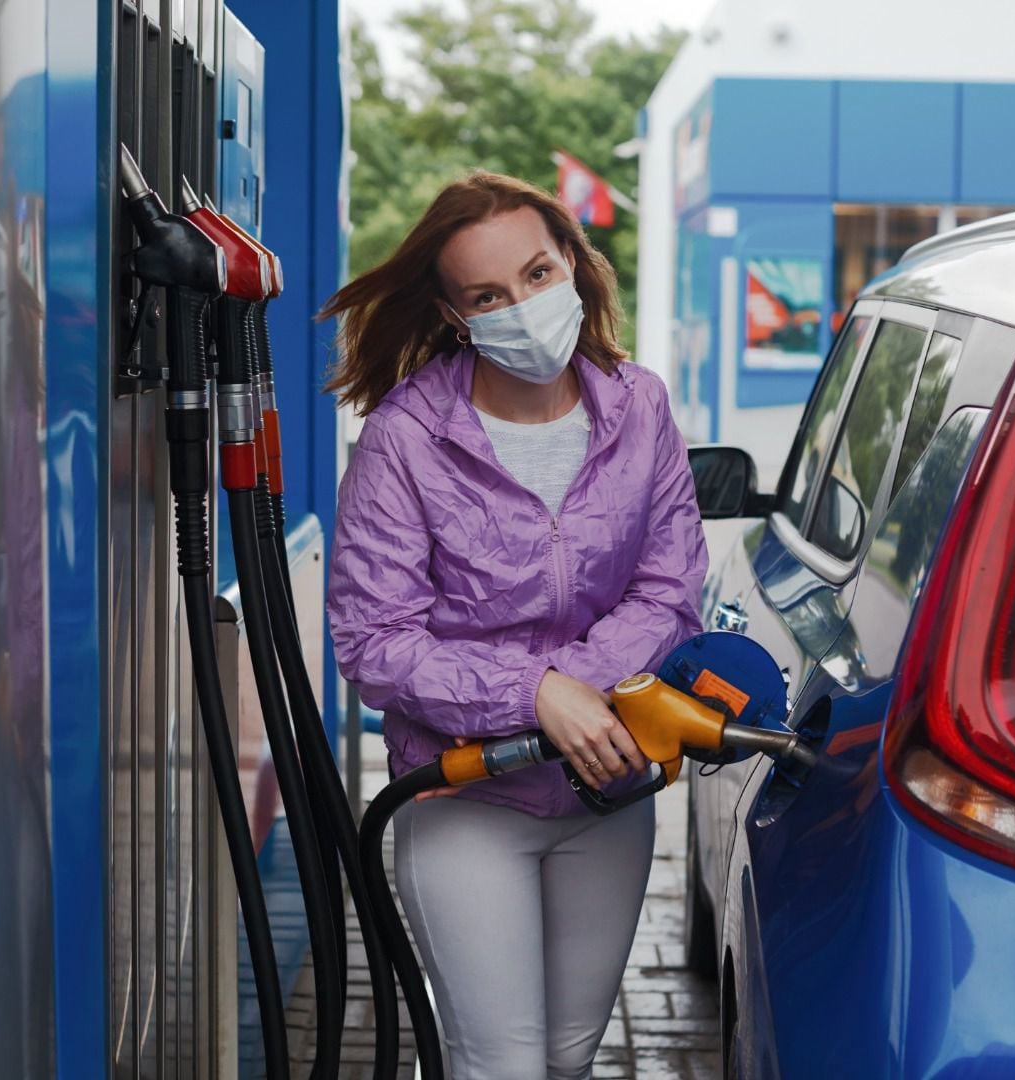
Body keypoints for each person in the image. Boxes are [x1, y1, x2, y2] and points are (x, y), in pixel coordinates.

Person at [322, 170, 708, 1079]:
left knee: (569, 1059)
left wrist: (578, 696)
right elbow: (372, 643)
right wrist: (535, 693)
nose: (522, 307)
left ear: (572, 261)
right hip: (466, 802)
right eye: (488, 295)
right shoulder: (407, 437)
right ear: (458, 316)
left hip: (606, 795)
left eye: (537, 274)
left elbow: (671, 587)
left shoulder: (637, 405)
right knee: (499, 1067)